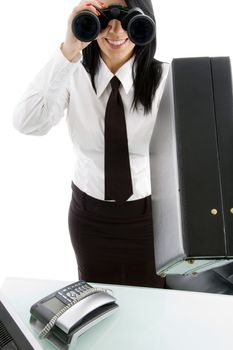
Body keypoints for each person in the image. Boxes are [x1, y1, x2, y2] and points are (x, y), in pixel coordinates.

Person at [13, 0, 169, 288]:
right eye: (105, 17)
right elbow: (27, 123)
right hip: (89, 218)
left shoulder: (165, 80)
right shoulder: (71, 76)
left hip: (150, 218)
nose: (115, 29)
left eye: (127, 18)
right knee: (96, 302)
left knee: (154, 299)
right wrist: (69, 50)